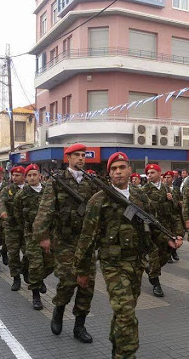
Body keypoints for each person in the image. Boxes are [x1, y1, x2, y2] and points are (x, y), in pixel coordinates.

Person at [75, 152, 180, 358]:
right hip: (112, 264)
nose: (118, 172)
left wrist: (168, 239)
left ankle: (117, 348)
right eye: (113, 169)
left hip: (137, 262)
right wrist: (81, 270)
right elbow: (87, 238)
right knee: (126, 312)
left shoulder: (140, 196)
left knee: (125, 309)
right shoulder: (99, 200)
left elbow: (152, 223)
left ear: (130, 170)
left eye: (122, 167)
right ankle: (127, 354)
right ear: (109, 174)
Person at [33, 143, 97, 342]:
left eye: (83, 155)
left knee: (87, 285)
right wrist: (43, 236)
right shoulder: (57, 181)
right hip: (65, 241)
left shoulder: (91, 182)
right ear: (67, 158)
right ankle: (59, 309)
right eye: (76, 155)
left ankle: (80, 326)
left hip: (86, 242)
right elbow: (45, 209)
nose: (80, 158)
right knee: (68, 281)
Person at [14, 164, 53, 310]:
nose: (31, 177)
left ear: (40, 176)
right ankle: (36, 295)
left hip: (48, 234)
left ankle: (29, 270)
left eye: (34, 175)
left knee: (50, 263)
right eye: (29, 175)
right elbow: (18, 215)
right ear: (26, 177)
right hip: (31, 235)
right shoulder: (21, 195)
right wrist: (25, 230)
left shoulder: (48, 192)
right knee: (36, 265)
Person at [141, 164, 184, 298]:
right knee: (154, 255)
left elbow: (175, 212)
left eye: (152, 172)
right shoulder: (144, 190)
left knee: (165, 255)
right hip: (151, 230)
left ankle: (151, 269)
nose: (149, 175)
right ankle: (155, 282)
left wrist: (179, 233)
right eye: (148, 173)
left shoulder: (167, 189)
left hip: (166, 228)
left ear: (160, 173)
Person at [0, 166, 28, 291]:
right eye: (13, 175)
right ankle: (16, 278)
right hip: (12, 226)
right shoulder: (7, 189)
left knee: (29, 253)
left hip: (27, 227)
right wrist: (2, 212)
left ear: (24, 176)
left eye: (17, 175)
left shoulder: (29, 189)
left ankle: (26, 270)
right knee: (13, 254)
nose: (14, 178)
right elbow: (1, 202)